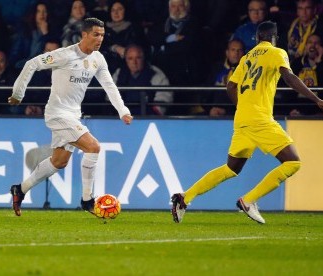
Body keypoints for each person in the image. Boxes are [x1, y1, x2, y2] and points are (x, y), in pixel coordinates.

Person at [170, 21, 323, 224]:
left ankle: (184, 198)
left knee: (231, 168)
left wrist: (242, 107)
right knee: (293, 162)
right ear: (274, 37)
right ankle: (249, 201)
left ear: (258, 38)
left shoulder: (246, 57)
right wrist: (316, 99)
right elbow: (290, 77)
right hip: (260, 119)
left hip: (242, 118)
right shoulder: (277, 52)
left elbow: (230, 86)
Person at [8, 17, 133, 216]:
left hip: (74, 116)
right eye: (95, 34)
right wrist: (18, 94)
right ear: (84, 34)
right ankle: (87, 200)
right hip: (57, 114)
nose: (100, 38)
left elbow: (109, 85)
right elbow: (31, 64)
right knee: (93, 147)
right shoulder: (64, 55)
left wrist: (123, 110)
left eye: (102, 35)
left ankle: (20, 189)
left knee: (59, 162)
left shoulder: (98, 59)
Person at [112, 44, 172, 115]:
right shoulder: (119, 73)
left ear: (143, 58)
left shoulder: (155, 73)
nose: (134, 62)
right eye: (130, 58)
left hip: (147, 118)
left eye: (138, 58)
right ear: (126, 60)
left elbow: (163, 99)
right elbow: (110, 98)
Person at [204, 39, 245, 117]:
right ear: (227, 52)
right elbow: (206, 93)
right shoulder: (216, 69)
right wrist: (210, 109)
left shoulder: (248, 71)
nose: (236, 53)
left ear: (243, 53)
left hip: (237, 113)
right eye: (233, 50)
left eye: (239, 50)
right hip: (214, 112)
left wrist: (227, 111)